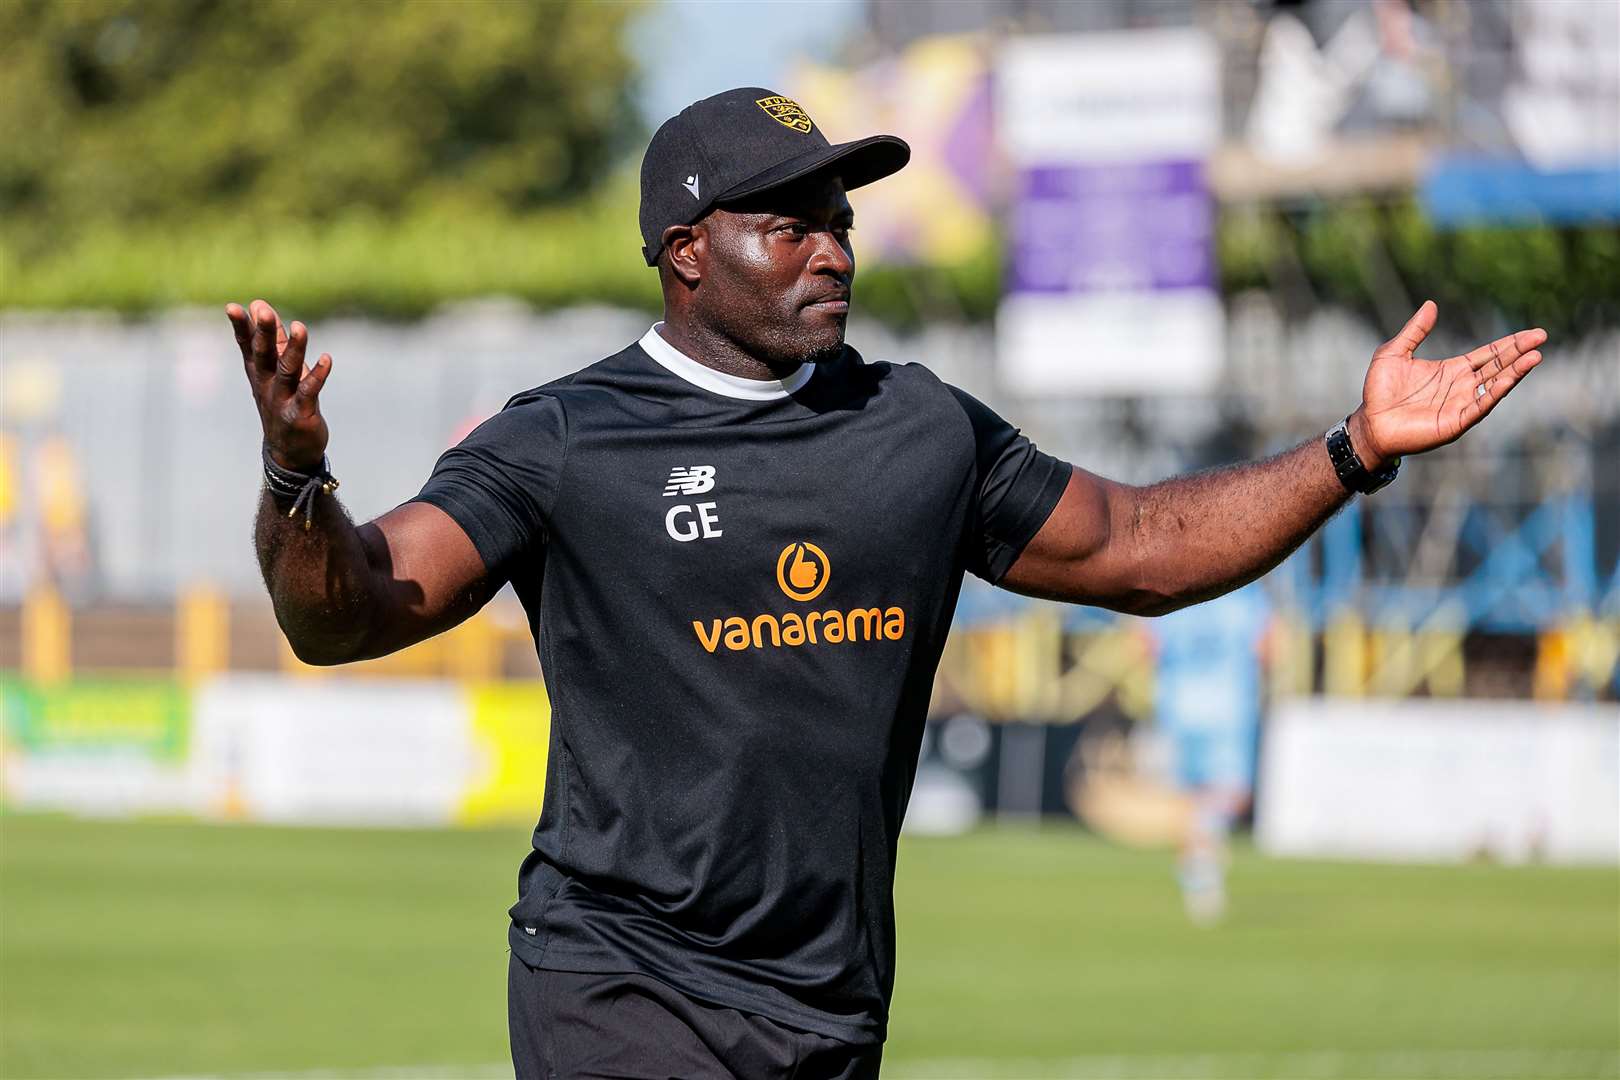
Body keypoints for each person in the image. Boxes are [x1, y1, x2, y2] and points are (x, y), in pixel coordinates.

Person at [226, 87, 1546, 1078]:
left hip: (832, 1001)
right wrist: (298, 480)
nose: (833, 250)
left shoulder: (921, 426)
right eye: (790, 223)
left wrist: (1353, 449)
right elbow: (354, 609)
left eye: (842, 222)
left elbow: (1143, 546)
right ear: (686, 252)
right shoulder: (565, 437)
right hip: (617, 984)